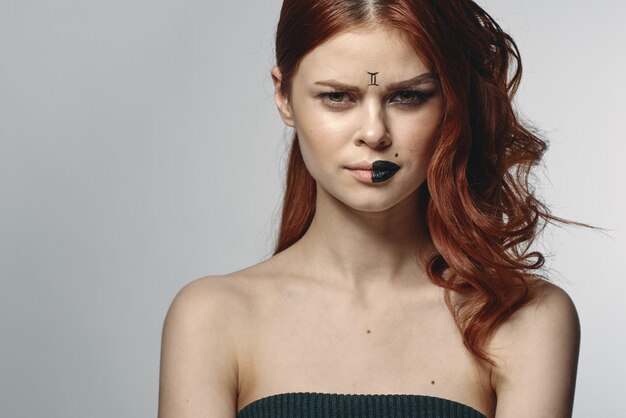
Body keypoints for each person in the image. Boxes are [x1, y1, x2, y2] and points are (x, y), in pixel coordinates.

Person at [158, 1, 580, 417]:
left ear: (451, 101)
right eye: (338, 97)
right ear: (283, 96)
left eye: (409, 96)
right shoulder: (211, 318)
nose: (374, 133)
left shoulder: (525, 319)